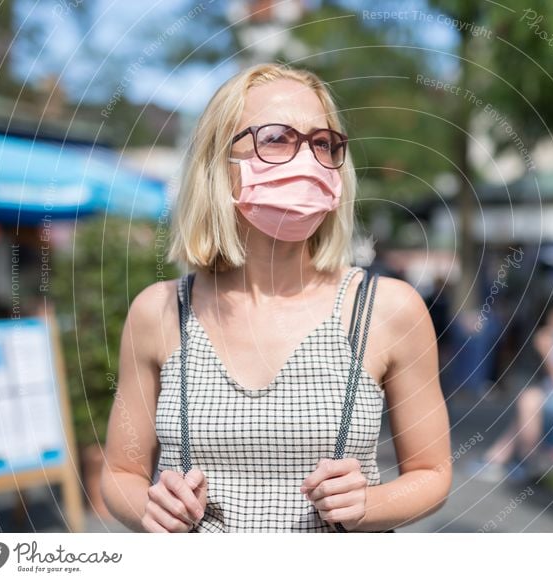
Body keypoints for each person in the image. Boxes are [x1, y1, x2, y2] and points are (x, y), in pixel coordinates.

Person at [100, 63, 452, 533]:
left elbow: (432, 473)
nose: (307, 159)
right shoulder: (158, 312)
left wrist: (370, 503)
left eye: (323, 143)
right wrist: (149, 507)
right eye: (276, 138)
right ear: (217, 163)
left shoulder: (388, 309)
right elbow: (119, 473)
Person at [479, 302, 553, 480]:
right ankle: (510, 457)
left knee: (529, 404)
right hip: (552, 394)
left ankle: (509, 457)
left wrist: (546, 350)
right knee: (528, 401)